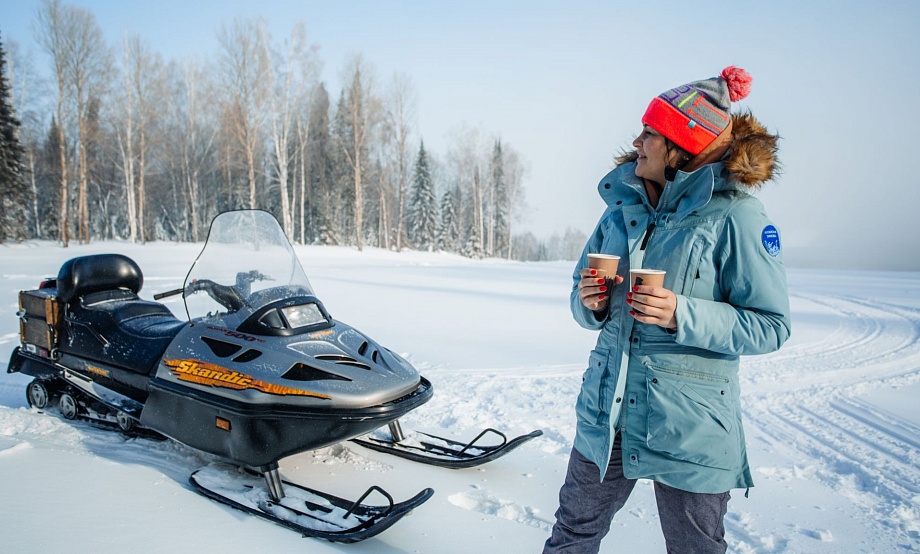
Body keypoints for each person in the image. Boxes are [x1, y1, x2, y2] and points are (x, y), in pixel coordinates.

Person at [543, 66, 792, 553]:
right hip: (607, 415)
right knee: (571, 536)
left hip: (689, 426)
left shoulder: (737, 216)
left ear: (682, 146)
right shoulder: (621, 209)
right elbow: (579, 294)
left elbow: (771, 326)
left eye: (649, 133)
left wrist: (681, 312)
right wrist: (590, 302)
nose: (637, 142)